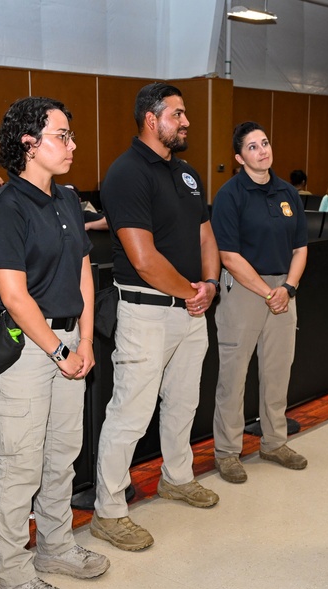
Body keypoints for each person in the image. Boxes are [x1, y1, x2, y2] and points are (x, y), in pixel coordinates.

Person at [0, 97, 108, 589]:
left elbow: (83, 274)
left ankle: (55, 548)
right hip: (24, 346)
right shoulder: (6, 207)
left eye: (70, 135)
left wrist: (87, 341)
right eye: (62, 135)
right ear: (29, 143)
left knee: (61, 456)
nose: (72, 145)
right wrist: (58, 351)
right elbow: (14, 294)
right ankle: (12, 575)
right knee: (18, 467)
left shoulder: (69, 200)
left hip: (68, 342)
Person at [90, 82, 221, 551]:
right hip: (146, 312)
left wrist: (209, 284)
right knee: (130, 412)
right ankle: (108, 510)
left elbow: (206, 235)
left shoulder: (186, 173)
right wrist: (194, 292)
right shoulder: (126, 174)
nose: (186, 122)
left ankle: (177, 476)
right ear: (152, 118)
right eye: (178, 114)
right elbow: (142, 258)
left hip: (190, 308)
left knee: (184, 402)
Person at [210, 122, 308, 484]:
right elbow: (228, 255)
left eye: (265, 143)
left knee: (278, 370)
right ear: (239, 157)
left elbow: (301, 248)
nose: (262, 150)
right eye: (252, 147)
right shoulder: (230, 195)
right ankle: (227, 451)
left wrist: (289, 288)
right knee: (234, 375)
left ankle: (274, 442)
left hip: (284, 290)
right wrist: (267, 293)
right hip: (245, 290)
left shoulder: (287, 193)